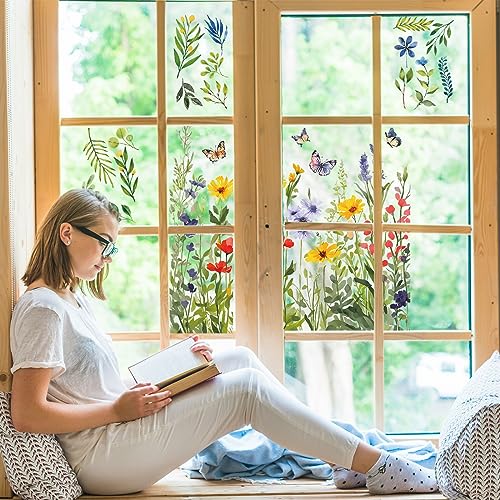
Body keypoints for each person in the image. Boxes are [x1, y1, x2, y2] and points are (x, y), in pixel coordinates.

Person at [9, 189, 438, 496]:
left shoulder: (70, 298)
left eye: (112, 248)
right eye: (104, 243)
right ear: (67, 233)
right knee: (246, 389)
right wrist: (119, 409)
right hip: (102, 459)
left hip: (117, 431)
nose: (107, 256)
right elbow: (28, 413)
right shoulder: (43, 309)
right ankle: (372, 465)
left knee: (237, 359)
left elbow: (92, 382)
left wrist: (178, 368)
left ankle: (337, 457)